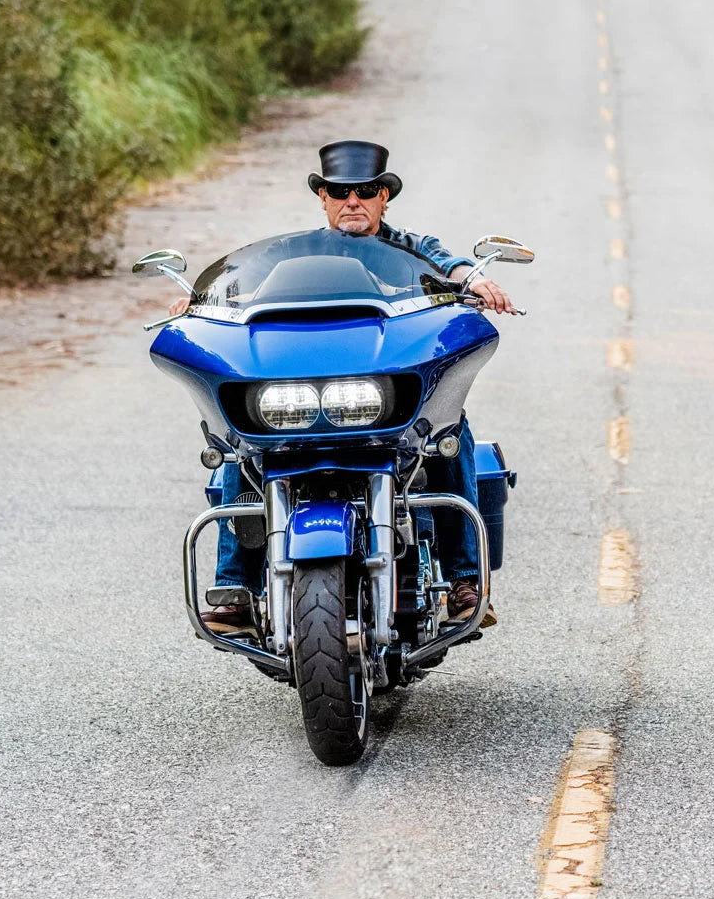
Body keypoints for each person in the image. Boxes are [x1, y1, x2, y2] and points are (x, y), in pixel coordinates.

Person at [182, 140, 514, 633]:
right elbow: (240, 292)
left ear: (384, 196)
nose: (351, 200)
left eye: (365, 190)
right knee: (240, 443)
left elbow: (449, 265)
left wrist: (473, 280)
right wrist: (196, 309)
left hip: (379, 393)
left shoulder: (409, 249)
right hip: (305, 392)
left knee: (448, 430)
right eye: (339, 191)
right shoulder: (293, 255)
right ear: (323, 197)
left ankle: (466, 583)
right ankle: (236, 590)